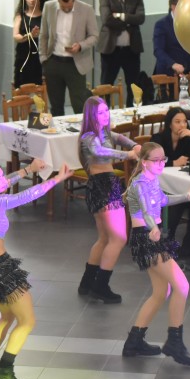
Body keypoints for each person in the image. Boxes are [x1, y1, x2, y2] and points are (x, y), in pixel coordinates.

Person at [0, 160, 70, 379]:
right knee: (27, 321)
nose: (4, 181)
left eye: (2, 175)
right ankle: (5, 369)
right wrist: (57, 179)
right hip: (3, 269)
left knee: (6, 317)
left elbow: (6, 182)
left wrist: (27, 170)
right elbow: (28, 195)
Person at [122, 143, 190, 364]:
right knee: (182, 286)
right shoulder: (139, 184)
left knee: (161, 291)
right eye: (155, 160)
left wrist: (186, 196)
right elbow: (146, 211)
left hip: (152, 236)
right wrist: (153, 227)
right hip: (146, 238)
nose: (160, 164)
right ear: (144, 162)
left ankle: (134, 341)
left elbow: (163, 200)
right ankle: (174, 342)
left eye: (163, 159)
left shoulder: (153, 179)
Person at [75, 96, 140, 303]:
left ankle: (87, 283)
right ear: (90, 116)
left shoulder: (105, 133)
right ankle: (101, 286)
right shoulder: (88, 137)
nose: (105, 115)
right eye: (100, 113)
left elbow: (121, 138)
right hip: (103, 186)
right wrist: (128, 155)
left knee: (104, 238)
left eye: (106, 111)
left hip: (103, 186)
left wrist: (136, 146)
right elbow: (100, 151)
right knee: (119, 238)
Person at [151, 107, 190, 251]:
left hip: (179, 183)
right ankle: (168, 238)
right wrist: (173, 162)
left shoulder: (187, 140)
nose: (182, 125)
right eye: (177, 122)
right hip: (157, 184)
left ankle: (188, 243)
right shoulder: (158, 138)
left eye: (184, 121)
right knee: (181, 198)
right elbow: (152, 159)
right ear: (170, 124)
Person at [38, 0, 99, 116]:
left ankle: (82, 128)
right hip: (53, 62)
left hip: (75, 64)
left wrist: (80, 46)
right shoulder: (48, 7)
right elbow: (43, 35)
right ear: (58, 0)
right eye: (63, 6)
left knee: (79, 104)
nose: (66, 9)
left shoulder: (86, 9)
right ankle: (58, 129)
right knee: (56, 106)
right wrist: (43, 58)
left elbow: (94, 36)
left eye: (69, 6)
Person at [98, 0, 147, 107]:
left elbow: (140, 18)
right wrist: (129, 22)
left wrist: (121, 16)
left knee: (133, 84)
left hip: (131, 50)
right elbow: (107, 19)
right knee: (106, 84)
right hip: (110, 50)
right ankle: (103, 111)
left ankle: (132, 110)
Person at [12, 0, 47, 88]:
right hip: (23, 58)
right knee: (21, 89)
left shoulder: (45, 16)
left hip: (40, 59)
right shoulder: (20, 16)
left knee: (40, 89)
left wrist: (40, 34)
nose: (32, 0)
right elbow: (16, 36)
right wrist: (30, 35)